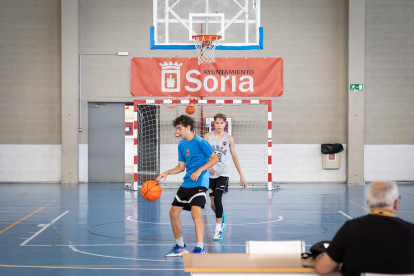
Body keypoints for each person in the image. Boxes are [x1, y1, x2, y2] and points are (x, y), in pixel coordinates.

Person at [315, 180, 414, 276]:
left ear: (368, 202)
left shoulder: (350, 229)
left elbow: (322, 269)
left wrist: (320, 256)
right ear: (396, 203)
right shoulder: (411, 231)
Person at [156, 115, 219, 256]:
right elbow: (180, 167)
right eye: (177, 128)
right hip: (187, 183)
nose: (177, 131)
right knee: (173, 213)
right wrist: (167, 172)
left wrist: (200, 170)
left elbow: (215, 158)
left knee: (195, 213)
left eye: (179, 128)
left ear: (188, 127)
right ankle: (180, 247)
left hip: (200, 183)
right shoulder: (181, 144)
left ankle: (200, 249)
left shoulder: (200, 142)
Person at [203, 113, 247, 240]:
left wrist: (241, 176)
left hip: (223, 173)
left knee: (217, 199)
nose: (219, 125)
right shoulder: (207, 137)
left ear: (225, 124)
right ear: (213, 124)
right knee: (212, 205)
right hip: (211, 174)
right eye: (216, 122)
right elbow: (202, 154)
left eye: (221, 122)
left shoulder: (229, 138)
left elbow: (234, 156)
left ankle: (218, 230)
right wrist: (207, 166)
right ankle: (221, 214)